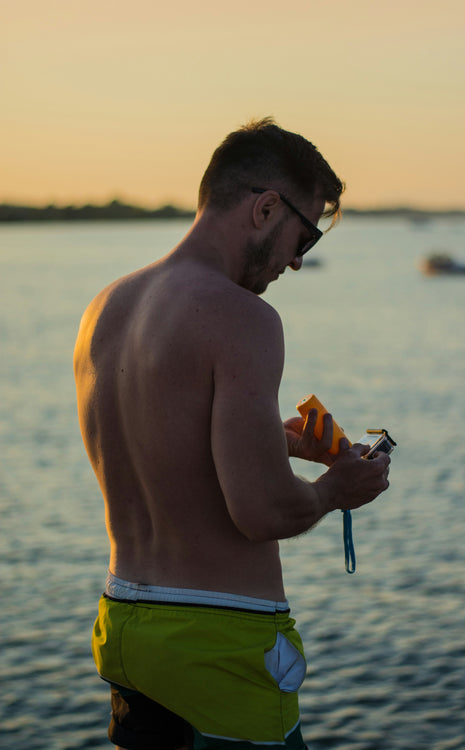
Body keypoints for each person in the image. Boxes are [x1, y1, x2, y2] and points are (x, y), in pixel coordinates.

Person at [74, 117, 391, 750]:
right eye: (303, 236)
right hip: (219, 645)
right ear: (266, 208)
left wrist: (279, 442)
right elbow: (262, 509)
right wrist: (337, 487)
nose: (297, 262)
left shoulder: (106, 307)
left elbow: (165, 456)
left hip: (125, 628)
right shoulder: (244, 319)